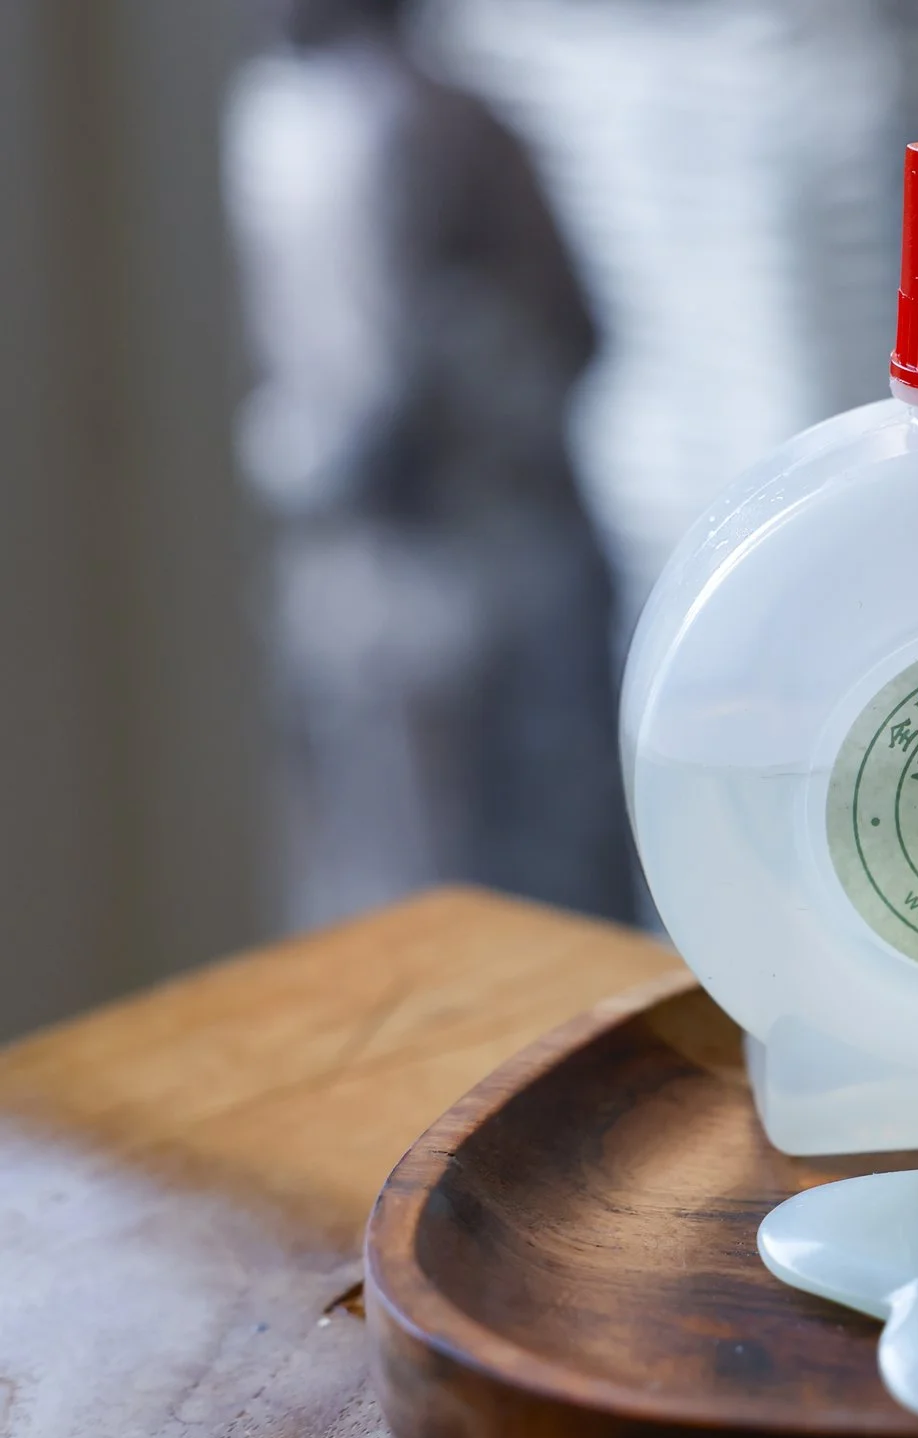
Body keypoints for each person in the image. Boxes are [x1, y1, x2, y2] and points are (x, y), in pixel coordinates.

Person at [226, 0, 635, 927]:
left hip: (467, 564)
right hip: (369, 572)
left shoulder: (414, 118)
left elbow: (398, 387)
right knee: (373, 863)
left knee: (494, 877)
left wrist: (313, 449)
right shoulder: (287, 114)